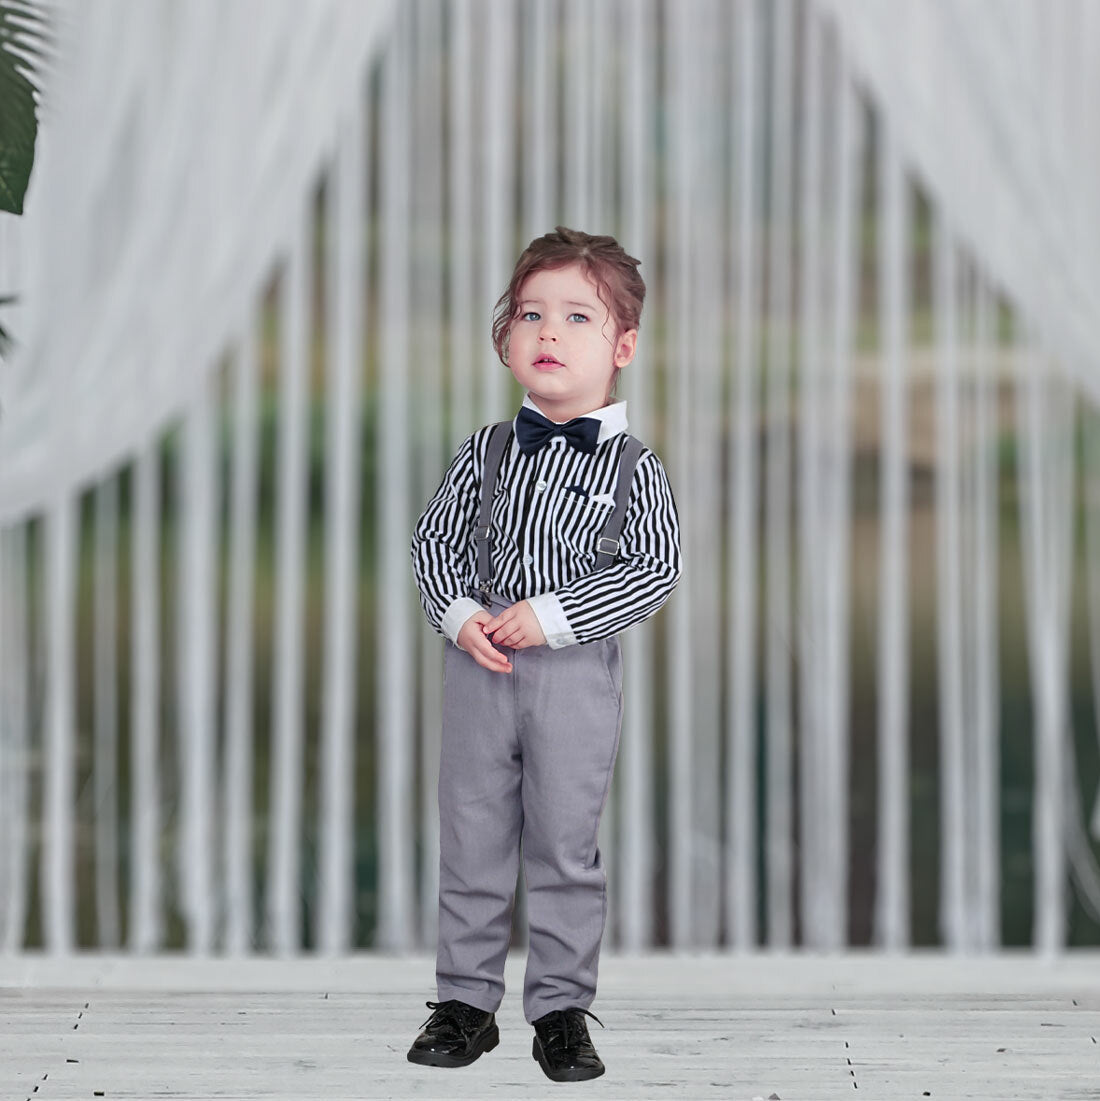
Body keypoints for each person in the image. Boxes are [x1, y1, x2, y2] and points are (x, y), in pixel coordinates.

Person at [407, 226, 681, 1083]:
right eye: (530, 315)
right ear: (504, 339)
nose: (549, 334)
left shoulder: (635, 470)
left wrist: (556, 614)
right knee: (473, 834)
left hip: (572, 679)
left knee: (564, 844)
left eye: (576, 317)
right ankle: (465, 1002)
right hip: (477, 671)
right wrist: (459, 614)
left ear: (623, 346)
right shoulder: (481, 451)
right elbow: (434, 544)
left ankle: (560, 1008)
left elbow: (654, 567)